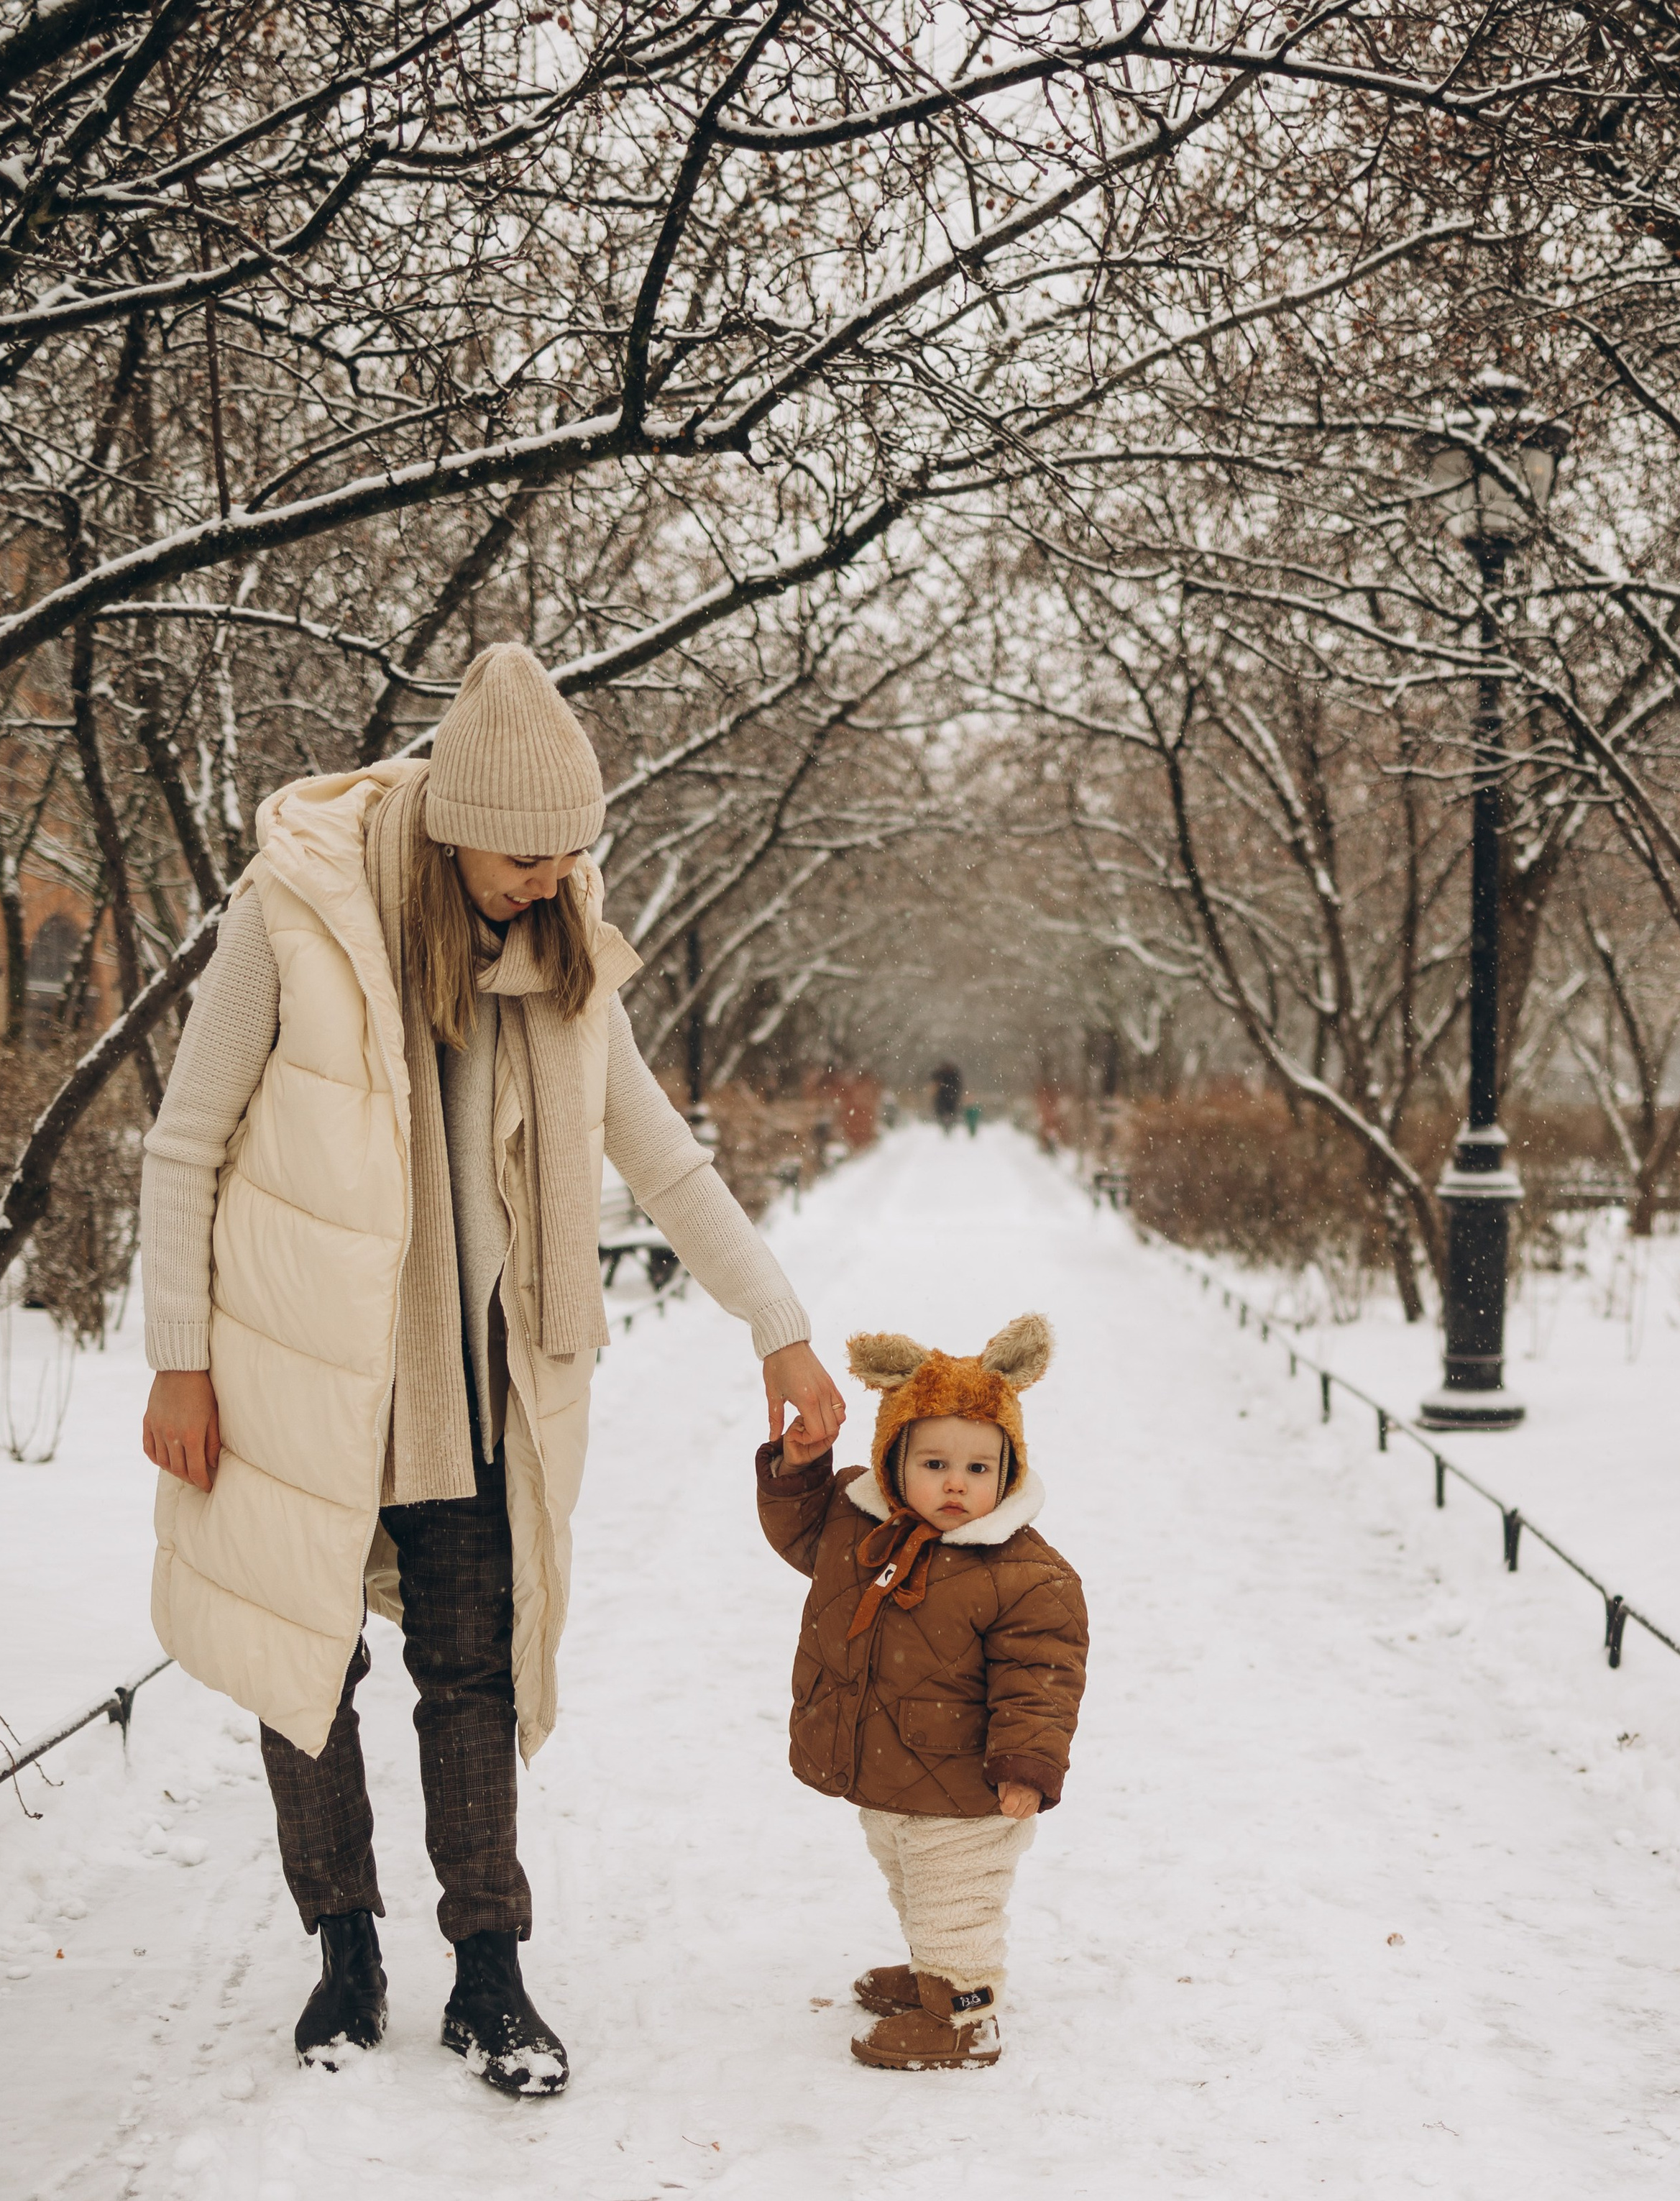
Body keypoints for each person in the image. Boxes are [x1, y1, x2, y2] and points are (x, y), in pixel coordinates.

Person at [139, 644, 844, 2095]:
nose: (553, 877)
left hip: (471, 1380)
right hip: (295, 1372)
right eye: (529, 852)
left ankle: (489, 1972)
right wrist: (179, 1364)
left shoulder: (558, 944)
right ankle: (342, 1947)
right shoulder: (291, 916)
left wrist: (777, 1323)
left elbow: (656, 1148)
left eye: (571, 852)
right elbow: (185, 1144)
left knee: (472, 1663)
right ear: (457, 823)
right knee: (302, 1664)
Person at [755, 1313, 1087, 2067]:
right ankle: (933, 1975)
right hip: (891, 1772)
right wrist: (800, 1469)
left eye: (978, 1469)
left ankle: (965, 2012)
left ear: (1006, 1471)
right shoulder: (858, 1527)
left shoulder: (1027, 1575)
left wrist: (1027, 1766)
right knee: (910, 1880)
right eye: (933, 1463)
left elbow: (1042, 1678)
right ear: (893, 1460)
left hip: (971, 1787)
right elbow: (796, 1528)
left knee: (955, 1896)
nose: (954, 1484)